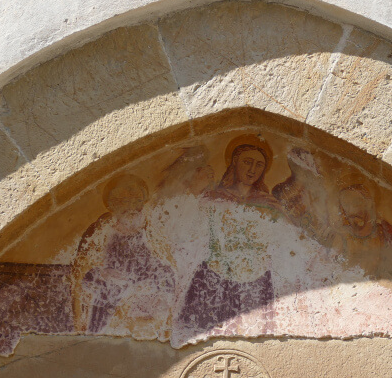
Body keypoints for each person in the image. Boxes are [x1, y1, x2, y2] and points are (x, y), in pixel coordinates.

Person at [176, 134, 278, 337]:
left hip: (255, 279)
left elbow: (283, 242)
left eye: (259, 165)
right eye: (247, 162)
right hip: (213, 277)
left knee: (254, 336)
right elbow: (186, 229)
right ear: (234, 163)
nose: (252, 170)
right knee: (198, 333)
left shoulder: (270, 204)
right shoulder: (213, 198)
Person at [70, 173, 176, 340]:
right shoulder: (102, 229)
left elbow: (168, 262)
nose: (131, 205)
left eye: (136, 200)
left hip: (147, 294)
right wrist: (79, 316)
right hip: (111, 296)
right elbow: (81, 271)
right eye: (124, 200)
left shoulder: (152, 228)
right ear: (112, 204)